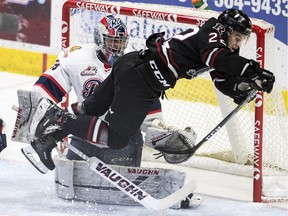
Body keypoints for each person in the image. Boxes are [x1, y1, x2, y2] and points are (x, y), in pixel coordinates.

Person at [30, 9, 274, 171]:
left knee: (93, 107)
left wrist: (241, 88)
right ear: (227, 29)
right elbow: (216, 57)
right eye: (238, 37)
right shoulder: (214, 33)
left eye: (243, 39)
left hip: (132, 65)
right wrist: (254, 71)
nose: (239, 43)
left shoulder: (222, 47)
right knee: (116, 139)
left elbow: (222, 79)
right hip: (141, 80)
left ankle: (47, 137)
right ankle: (58, 119)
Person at [29, 15, 163, 168]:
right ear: (100, 39)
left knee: (121, 191)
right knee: (72, 184)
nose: (117, 46)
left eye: (120, 41)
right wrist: (35, 112)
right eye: (112, 40)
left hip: (124, 140)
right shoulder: (77, 58)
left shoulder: (135, 63)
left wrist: (157, 130)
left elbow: (148, 105)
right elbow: (46, 88)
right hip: (84, 135)